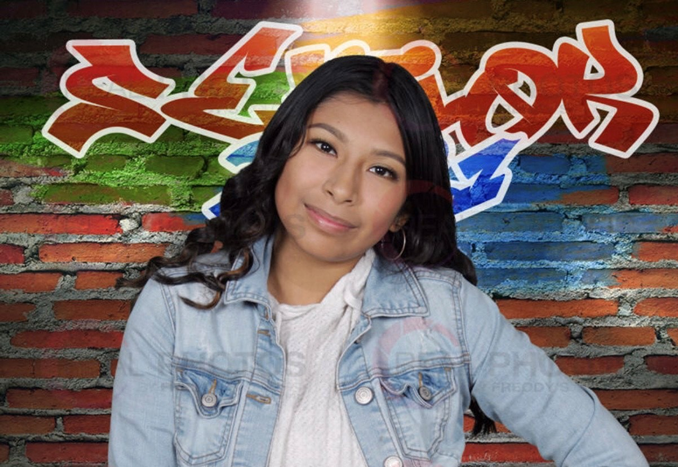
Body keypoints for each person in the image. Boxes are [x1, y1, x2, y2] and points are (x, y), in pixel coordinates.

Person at [108, 55, 648, 467]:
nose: (342, 188)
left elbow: (597, 448)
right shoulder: (179, 304)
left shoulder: (451, 315)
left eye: (382, 170)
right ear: (281, 153)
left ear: (401, 211)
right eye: (324, 147)